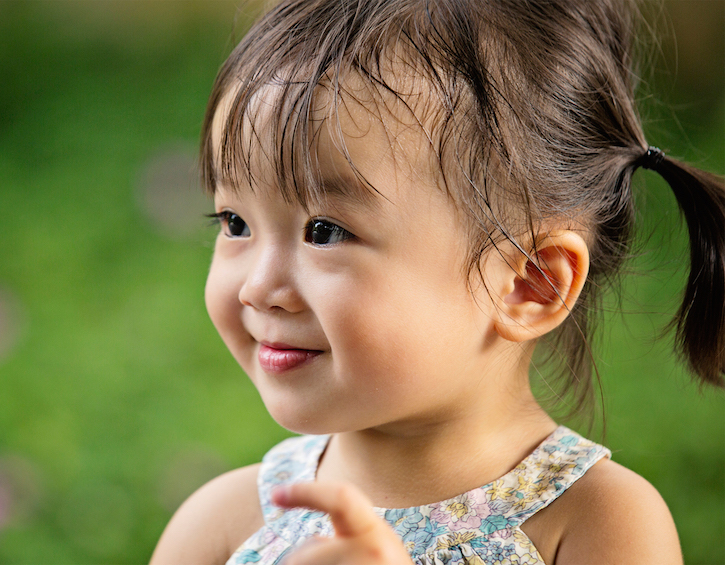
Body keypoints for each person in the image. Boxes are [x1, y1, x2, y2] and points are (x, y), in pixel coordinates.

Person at [150, 0, 725, 563]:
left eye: (324, 232)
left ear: (531, 284)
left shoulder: (596, 524)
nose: (256, 287)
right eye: (235, 223)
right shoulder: (225, 523)